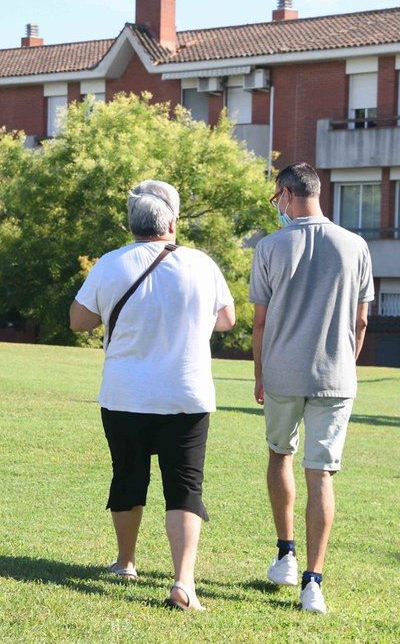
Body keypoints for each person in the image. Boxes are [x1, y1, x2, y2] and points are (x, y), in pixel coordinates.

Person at [69, 180, 236, 612]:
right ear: (172, 223)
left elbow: (78, 320)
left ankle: (126, 562)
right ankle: (184, 581)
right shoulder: (202, 264)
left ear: (132, 224)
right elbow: (227, 321)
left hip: (125, 394)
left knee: (128, 475)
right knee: (184, 486)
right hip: (187, 393)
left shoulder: (110, 264)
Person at [249, 162, 374, 613]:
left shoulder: (270, 246)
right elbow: (361, 320)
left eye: (275, 198)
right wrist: (346, 363)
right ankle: (313, 583)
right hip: (336, 375)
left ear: (285, 194)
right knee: (320, 472)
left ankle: (285, 553)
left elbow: (260, 322)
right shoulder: (356, 245)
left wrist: (259, 374)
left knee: (280, 453)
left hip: (283, 371)